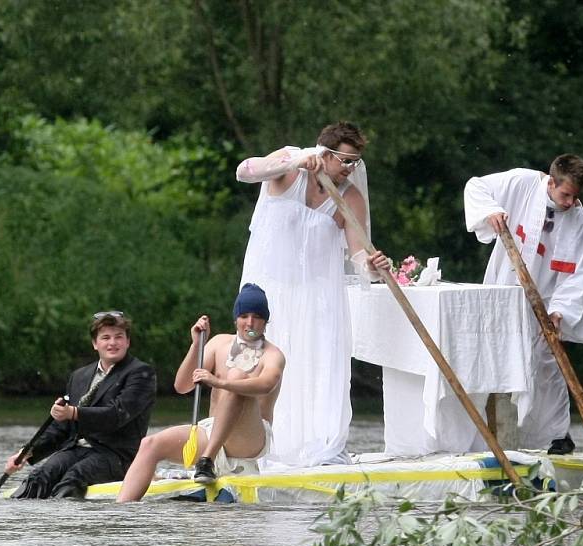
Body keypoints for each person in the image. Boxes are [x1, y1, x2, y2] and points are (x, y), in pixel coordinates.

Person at [234, 121, 390, 467]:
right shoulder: (289, 165)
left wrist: (374, 266)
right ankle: (249, 443)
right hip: (270, 288)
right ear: (325, 152)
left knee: (315, 362)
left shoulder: (348, 197)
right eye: (344, 160)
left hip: (316, 296)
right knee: (255, 362)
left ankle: (316, 445)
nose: (349, 169)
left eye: (355, 162)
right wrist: (293, 163)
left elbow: (359, 255)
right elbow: (245, 171)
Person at [464, 154, 583, 454]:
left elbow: (576, 271)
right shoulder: (521, 182)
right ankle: (485, 435)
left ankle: (556, 435)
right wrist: (492, 211)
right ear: (551, 182)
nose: (570, 202)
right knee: (493, 357)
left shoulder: (578, 219)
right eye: (565, 194)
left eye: (575, 196)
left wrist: (560, 310)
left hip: (546, 299)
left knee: (547, 365)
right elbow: (476, 187)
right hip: (506, 288)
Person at [117, 284, 285, 502]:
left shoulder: (273, 355)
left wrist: (219, 381)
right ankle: (121, 510)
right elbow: (183, 385)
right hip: (212, 429)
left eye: (257, 317)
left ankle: (207, 460)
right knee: (150, 444)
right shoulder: (218, 344)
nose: (250, 323)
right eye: (244, 316)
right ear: (236, 319)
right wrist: (196, 345)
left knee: (236, 376)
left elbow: (265, 385)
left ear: (265, 321)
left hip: (249, 441)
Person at [4, 311, 157, 499]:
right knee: (40, 476)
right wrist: (27, 452)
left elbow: (117, 415)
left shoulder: (141, 373)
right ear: (95, 343)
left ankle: (67, 524)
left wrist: (74, 412)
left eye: (119, 337)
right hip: (77, 449)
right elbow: (61, 427)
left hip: (118, 456)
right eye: (106, 337)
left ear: (128, 342)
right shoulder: (79, 376)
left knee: (72, 479)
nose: (112, 343)